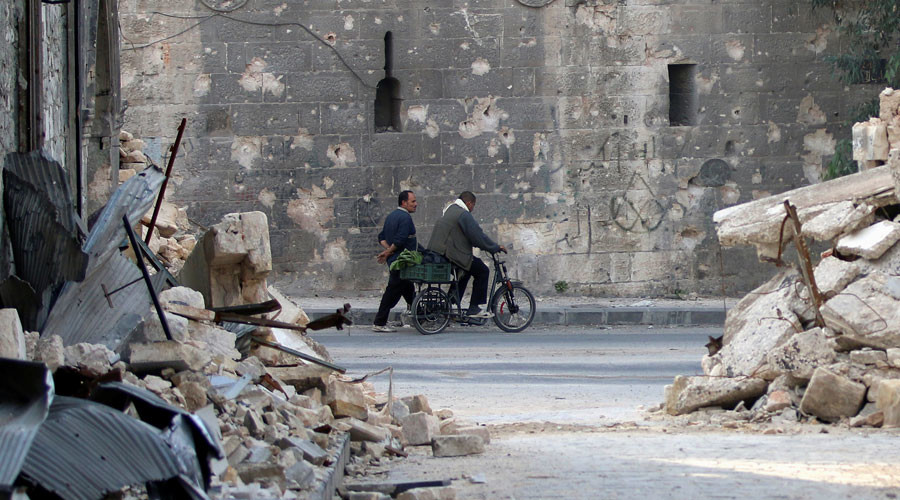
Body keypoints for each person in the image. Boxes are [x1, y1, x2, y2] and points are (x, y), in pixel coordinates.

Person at [427, 191, 505, 319]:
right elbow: (477, 236)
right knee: (482, 270)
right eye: (473, 205)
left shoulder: (451, 209)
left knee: (466, 270)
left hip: (439, 252)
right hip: (449, 253)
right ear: (469, 203)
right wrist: (494, 247)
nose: (472, 209)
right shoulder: (463, 214)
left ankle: (450, 303)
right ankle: (474, 307)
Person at [372, 190, 419, 332]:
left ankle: (420, 316)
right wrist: (390, 251)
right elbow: (400, 239)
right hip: (401, 261)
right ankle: (379, 323)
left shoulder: (392, 216)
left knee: (408, 288)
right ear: (404, 203)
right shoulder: (405, 218)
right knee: (392, 292)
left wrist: (388, 251)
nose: (416, 204)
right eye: (413, 201)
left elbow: (381, 237)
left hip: (395, 259)